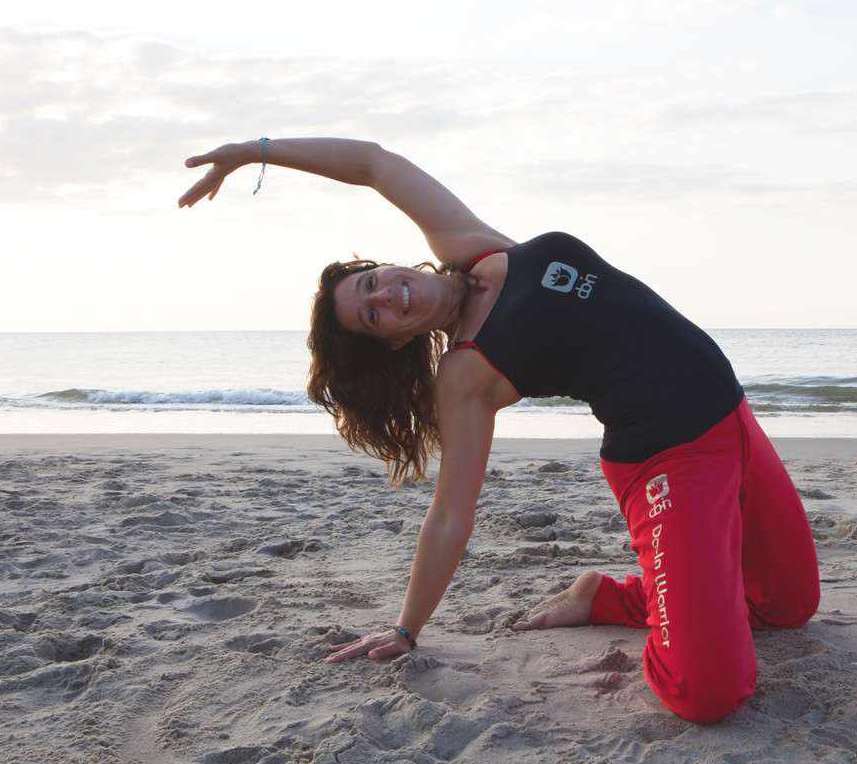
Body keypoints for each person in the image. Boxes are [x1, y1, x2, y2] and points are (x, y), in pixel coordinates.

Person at [178, 138, 821, 723]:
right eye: (373, 315)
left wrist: (255, 152)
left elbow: (374, 164)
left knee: (786, 607)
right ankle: (622, 600)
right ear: (396, 340)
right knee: (706, 692)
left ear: (387, 266)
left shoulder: (474, 247)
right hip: (667, 462)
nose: (388, 297)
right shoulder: (465, 373)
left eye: (372, 283)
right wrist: (406, 630)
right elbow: (452, 515)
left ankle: (618, 597)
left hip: (731, 415)